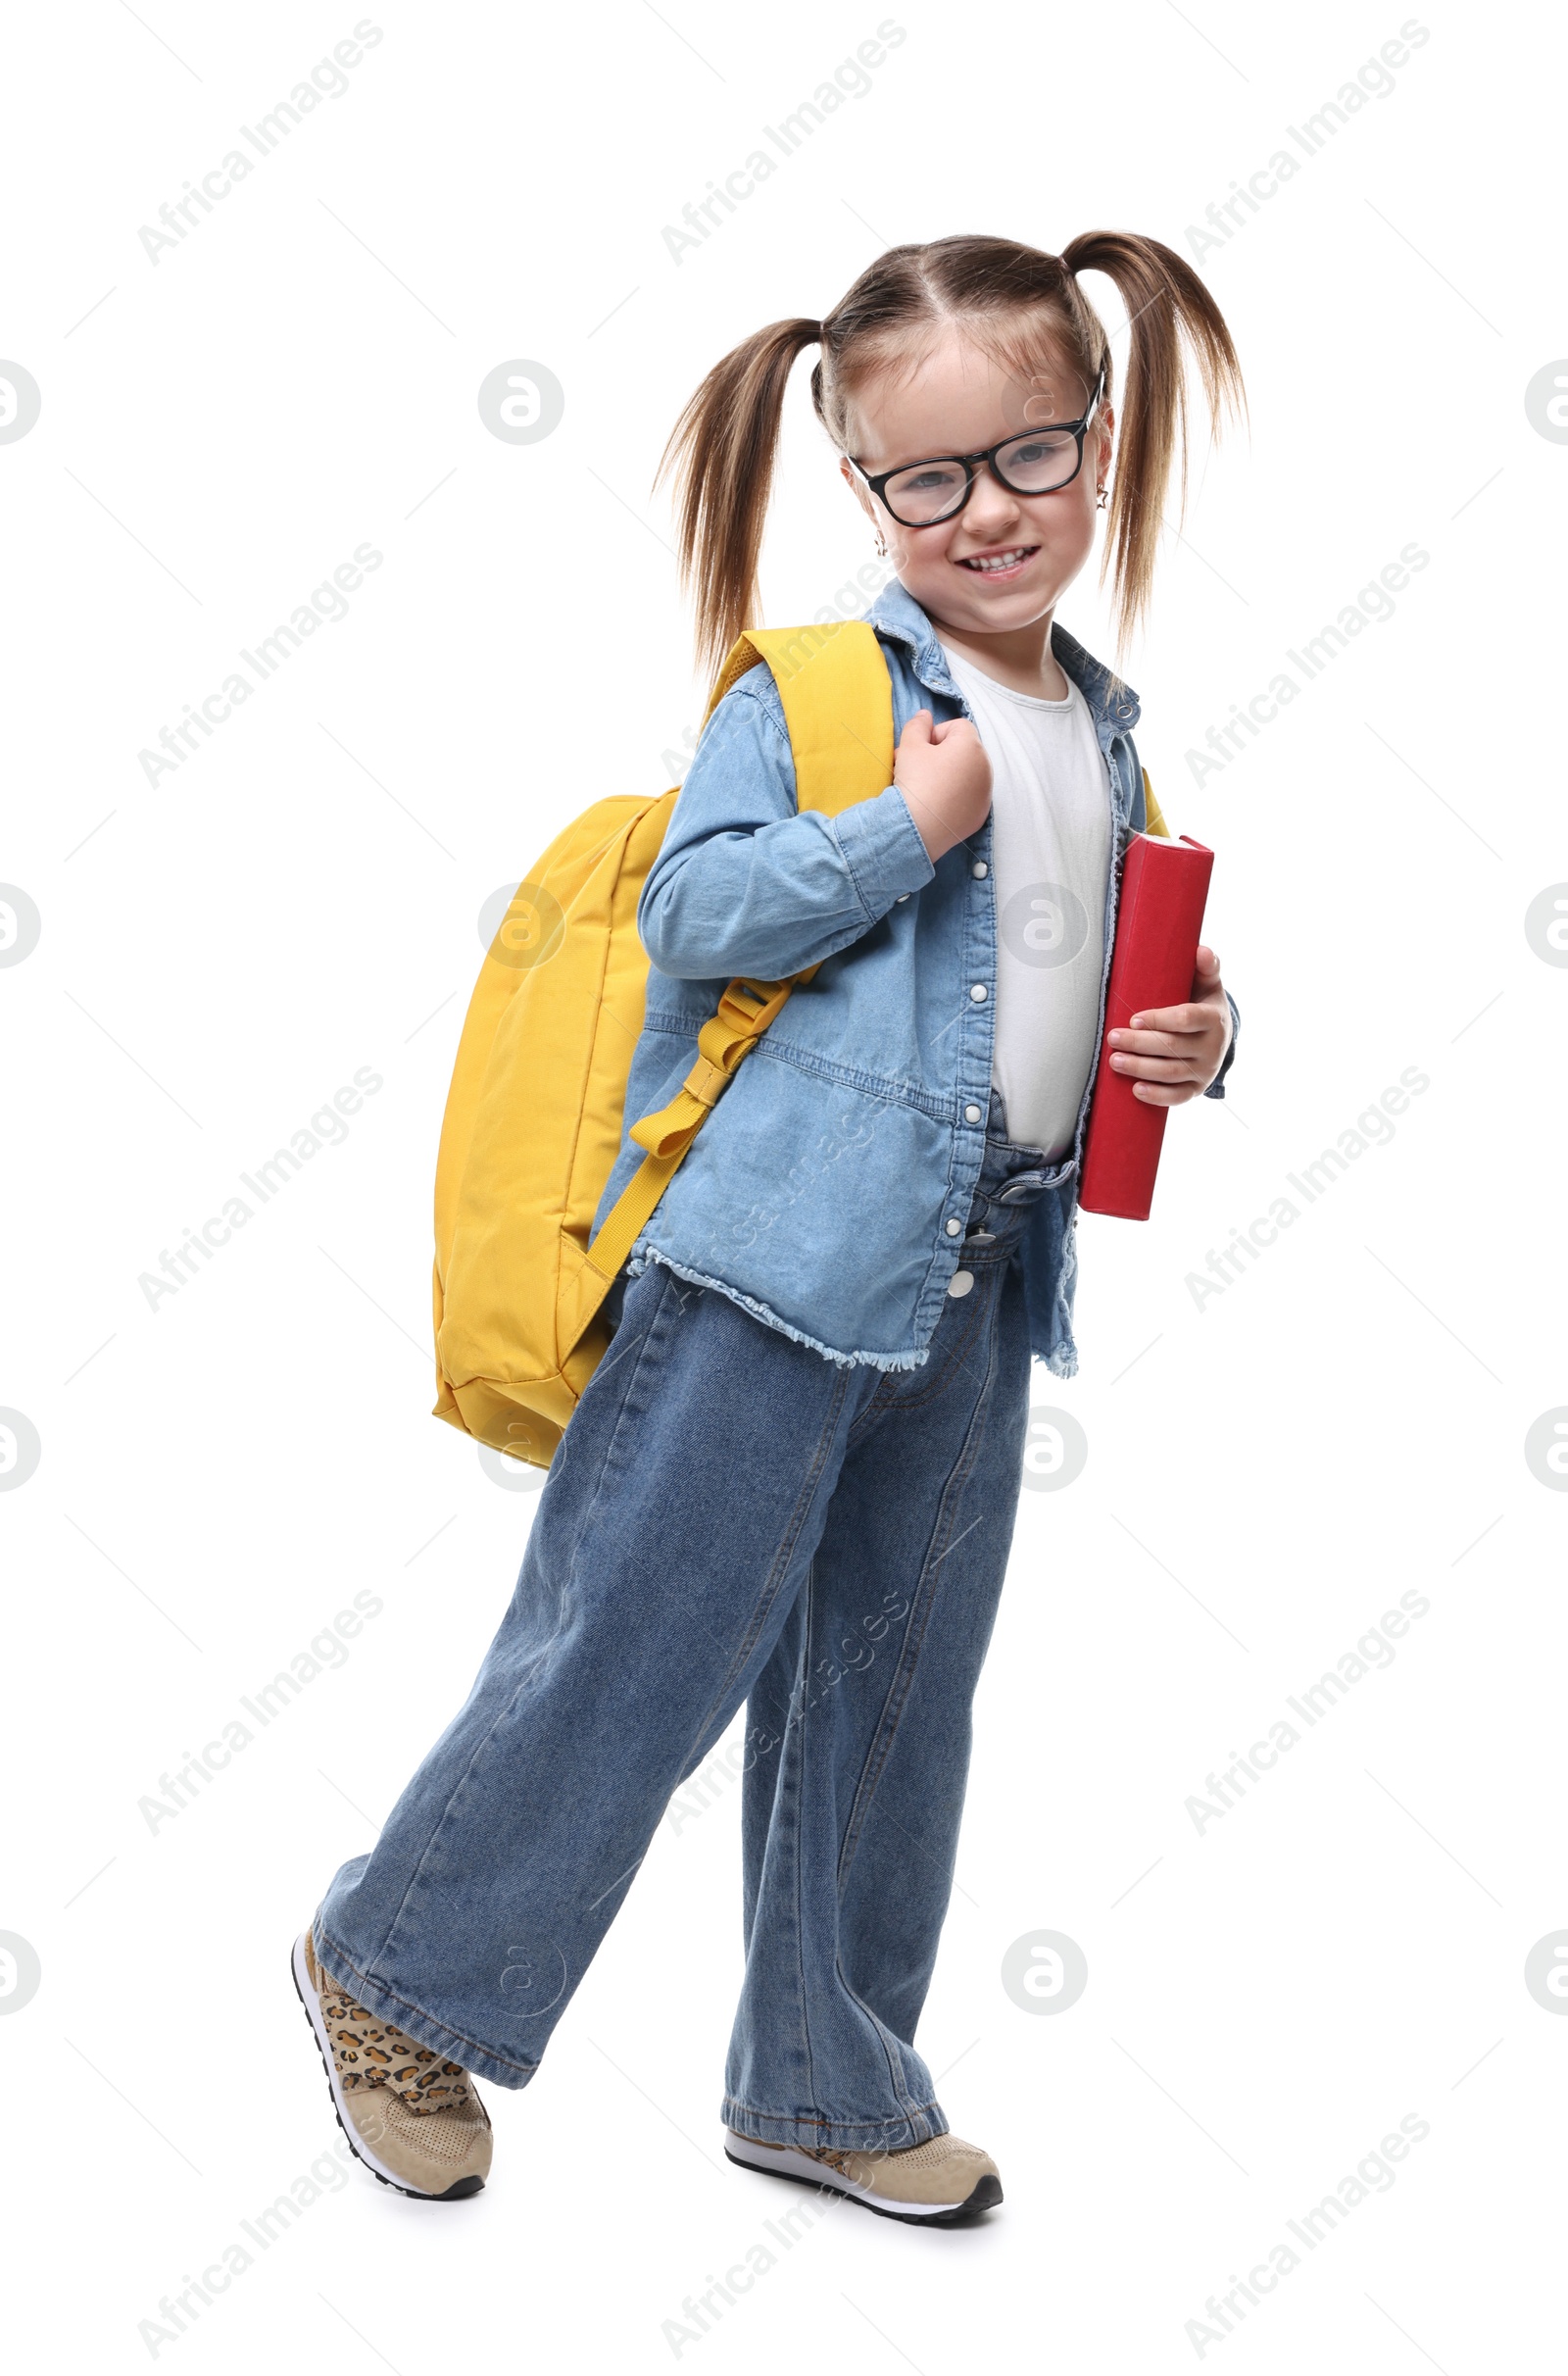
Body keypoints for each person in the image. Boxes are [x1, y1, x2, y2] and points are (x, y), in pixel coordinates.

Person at [292, 231, 1243, 2223]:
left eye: (1030, 456)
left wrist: (1196, 1032)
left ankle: (822, 2079)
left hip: (977, 1284)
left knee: (892, 1693)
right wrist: (911, 816)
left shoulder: (1102, 720)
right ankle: (393, 1971)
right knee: (641, 1649)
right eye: (927, 477)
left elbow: (1060, 970)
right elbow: (701, 919)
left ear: (1098, 443)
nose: (986, 510)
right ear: (859, 483)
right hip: (767, 1269)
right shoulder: (813, 691)